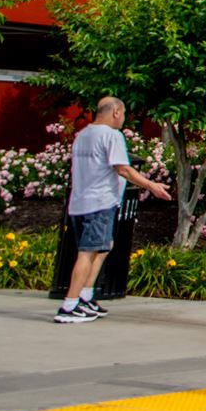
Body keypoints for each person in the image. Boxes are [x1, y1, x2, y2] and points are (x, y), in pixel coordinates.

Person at [57, 97, 172, 323]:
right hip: (99, 203)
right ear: (116, 112)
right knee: (88, 252)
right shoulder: (112, 136)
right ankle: (69, 306)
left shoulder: (83, 135)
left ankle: (85, 296)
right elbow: (123, 169)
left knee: (103, 247)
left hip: (80, 202)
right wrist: (152, 186)